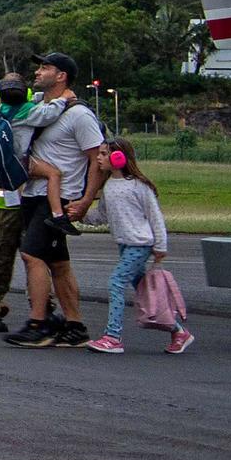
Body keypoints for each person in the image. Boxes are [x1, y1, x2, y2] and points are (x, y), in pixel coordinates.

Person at [4, 52, 107, 349]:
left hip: (58, 197)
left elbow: (97, 160)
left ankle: (39, 323)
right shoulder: (39, 107)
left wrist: (87, 199)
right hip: (35, 193)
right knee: (59, 263)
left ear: (61, 75)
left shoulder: (79, 115)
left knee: (31, 254)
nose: (38, 71)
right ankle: (74, 326)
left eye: (45, 67)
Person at [87, 143, 189, 356]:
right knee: (144, 290)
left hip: (140, 244)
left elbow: (155, 216)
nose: (99, 158)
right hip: (124, 244)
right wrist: (79, 215)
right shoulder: (109, 187)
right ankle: (178, 331)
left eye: (104, 154)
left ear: (118, 158)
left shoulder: (137, 186)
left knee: (116, 282)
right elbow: (102, 216)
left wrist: (161, 245)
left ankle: (113, 337)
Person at [0, 75, 51, 331]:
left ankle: (37, 306)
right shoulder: (34, 116)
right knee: (6, 259)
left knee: (23, 258)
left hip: (17, 202)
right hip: (8, 203)